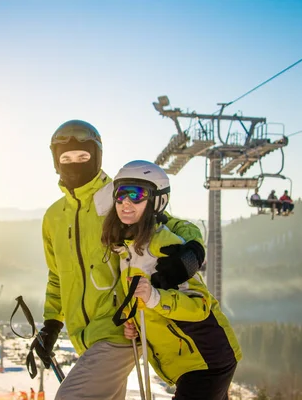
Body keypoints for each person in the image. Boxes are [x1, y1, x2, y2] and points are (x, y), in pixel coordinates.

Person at [34, 120, 206, 400]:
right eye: (65, 158)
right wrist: (52, 324)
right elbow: (57, 275)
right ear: (55, 162)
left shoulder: (116, 195)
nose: (74, 164)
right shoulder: (54, 216)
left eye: (83, 157)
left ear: (97, 156)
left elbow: (169, 222)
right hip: (83, 336)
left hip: (120, 329)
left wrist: (194, 248)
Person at [101, 160, 242, 400]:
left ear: (157, 200)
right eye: (121, 193)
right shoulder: (124, 248)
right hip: (187, 362)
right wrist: (135, 322)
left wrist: (154, 298)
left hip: (206, 358)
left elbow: (200, 306)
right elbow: (146, 297)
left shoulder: (163, 244)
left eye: (136, 194)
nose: (125, 202)